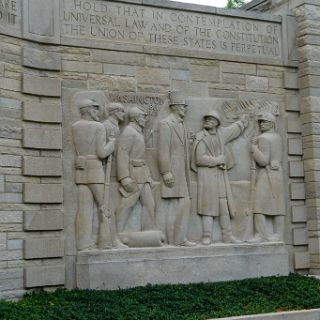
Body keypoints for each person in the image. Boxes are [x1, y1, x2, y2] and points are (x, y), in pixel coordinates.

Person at [191, 110, 248, 245]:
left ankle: (227, 236)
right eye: (206, 119)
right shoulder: (200, 137)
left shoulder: (221, 133)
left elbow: (233, 130)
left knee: (224, 206)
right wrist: (218, 160)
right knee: (207, 207)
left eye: (211, 120)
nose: (207, 121)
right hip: (206, 177)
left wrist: (242, 122)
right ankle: (207, 236)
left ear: (216, 123)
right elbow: (199, 159)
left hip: (220, 177)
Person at [72, 99, 115, 250]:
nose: (97, 113)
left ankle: (83, 244)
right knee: (105, 206)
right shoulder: (98, 127)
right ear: (89, 110)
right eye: (95, 110)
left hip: (81, 171)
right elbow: (102, 153)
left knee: (84, 209)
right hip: (95, 171)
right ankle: (106, 242)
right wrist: (112, 143)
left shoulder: (75, 126)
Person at [158, 91, 196, 246]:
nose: (185, 110)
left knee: (183, 204)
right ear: (175, 107)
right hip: (172, 171)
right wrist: (166, 171)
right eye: (182, 107)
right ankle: (174, 240)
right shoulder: (166, 124)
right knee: (174, 205)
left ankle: (179, 239)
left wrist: (189, 141)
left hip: (182, 172)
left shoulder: (182, 125)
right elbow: (163, 150)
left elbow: (180, 147)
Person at [115, 107, 156, 235]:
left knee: (149, 203)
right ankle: (117, 233)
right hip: (133, 174)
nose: (145, 119)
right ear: (137, 118)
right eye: (143, 117)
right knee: (128, 204)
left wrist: (148, 177)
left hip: (143, 174)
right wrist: (124, 177)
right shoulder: (129, 132)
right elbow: (122, 154)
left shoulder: (138, 132)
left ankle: (148, 231)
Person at [251, 112, 285, 242]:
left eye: (264, 122)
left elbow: (263, 161)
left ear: (271, 123)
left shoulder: (263, 138)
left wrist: (254, 148)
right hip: (277, 173)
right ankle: (279, 234)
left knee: (258, 205)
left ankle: (260, 234)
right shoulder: (278, 137)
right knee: (278, 204)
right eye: (260, 122)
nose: (261, 124)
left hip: (267, 173)